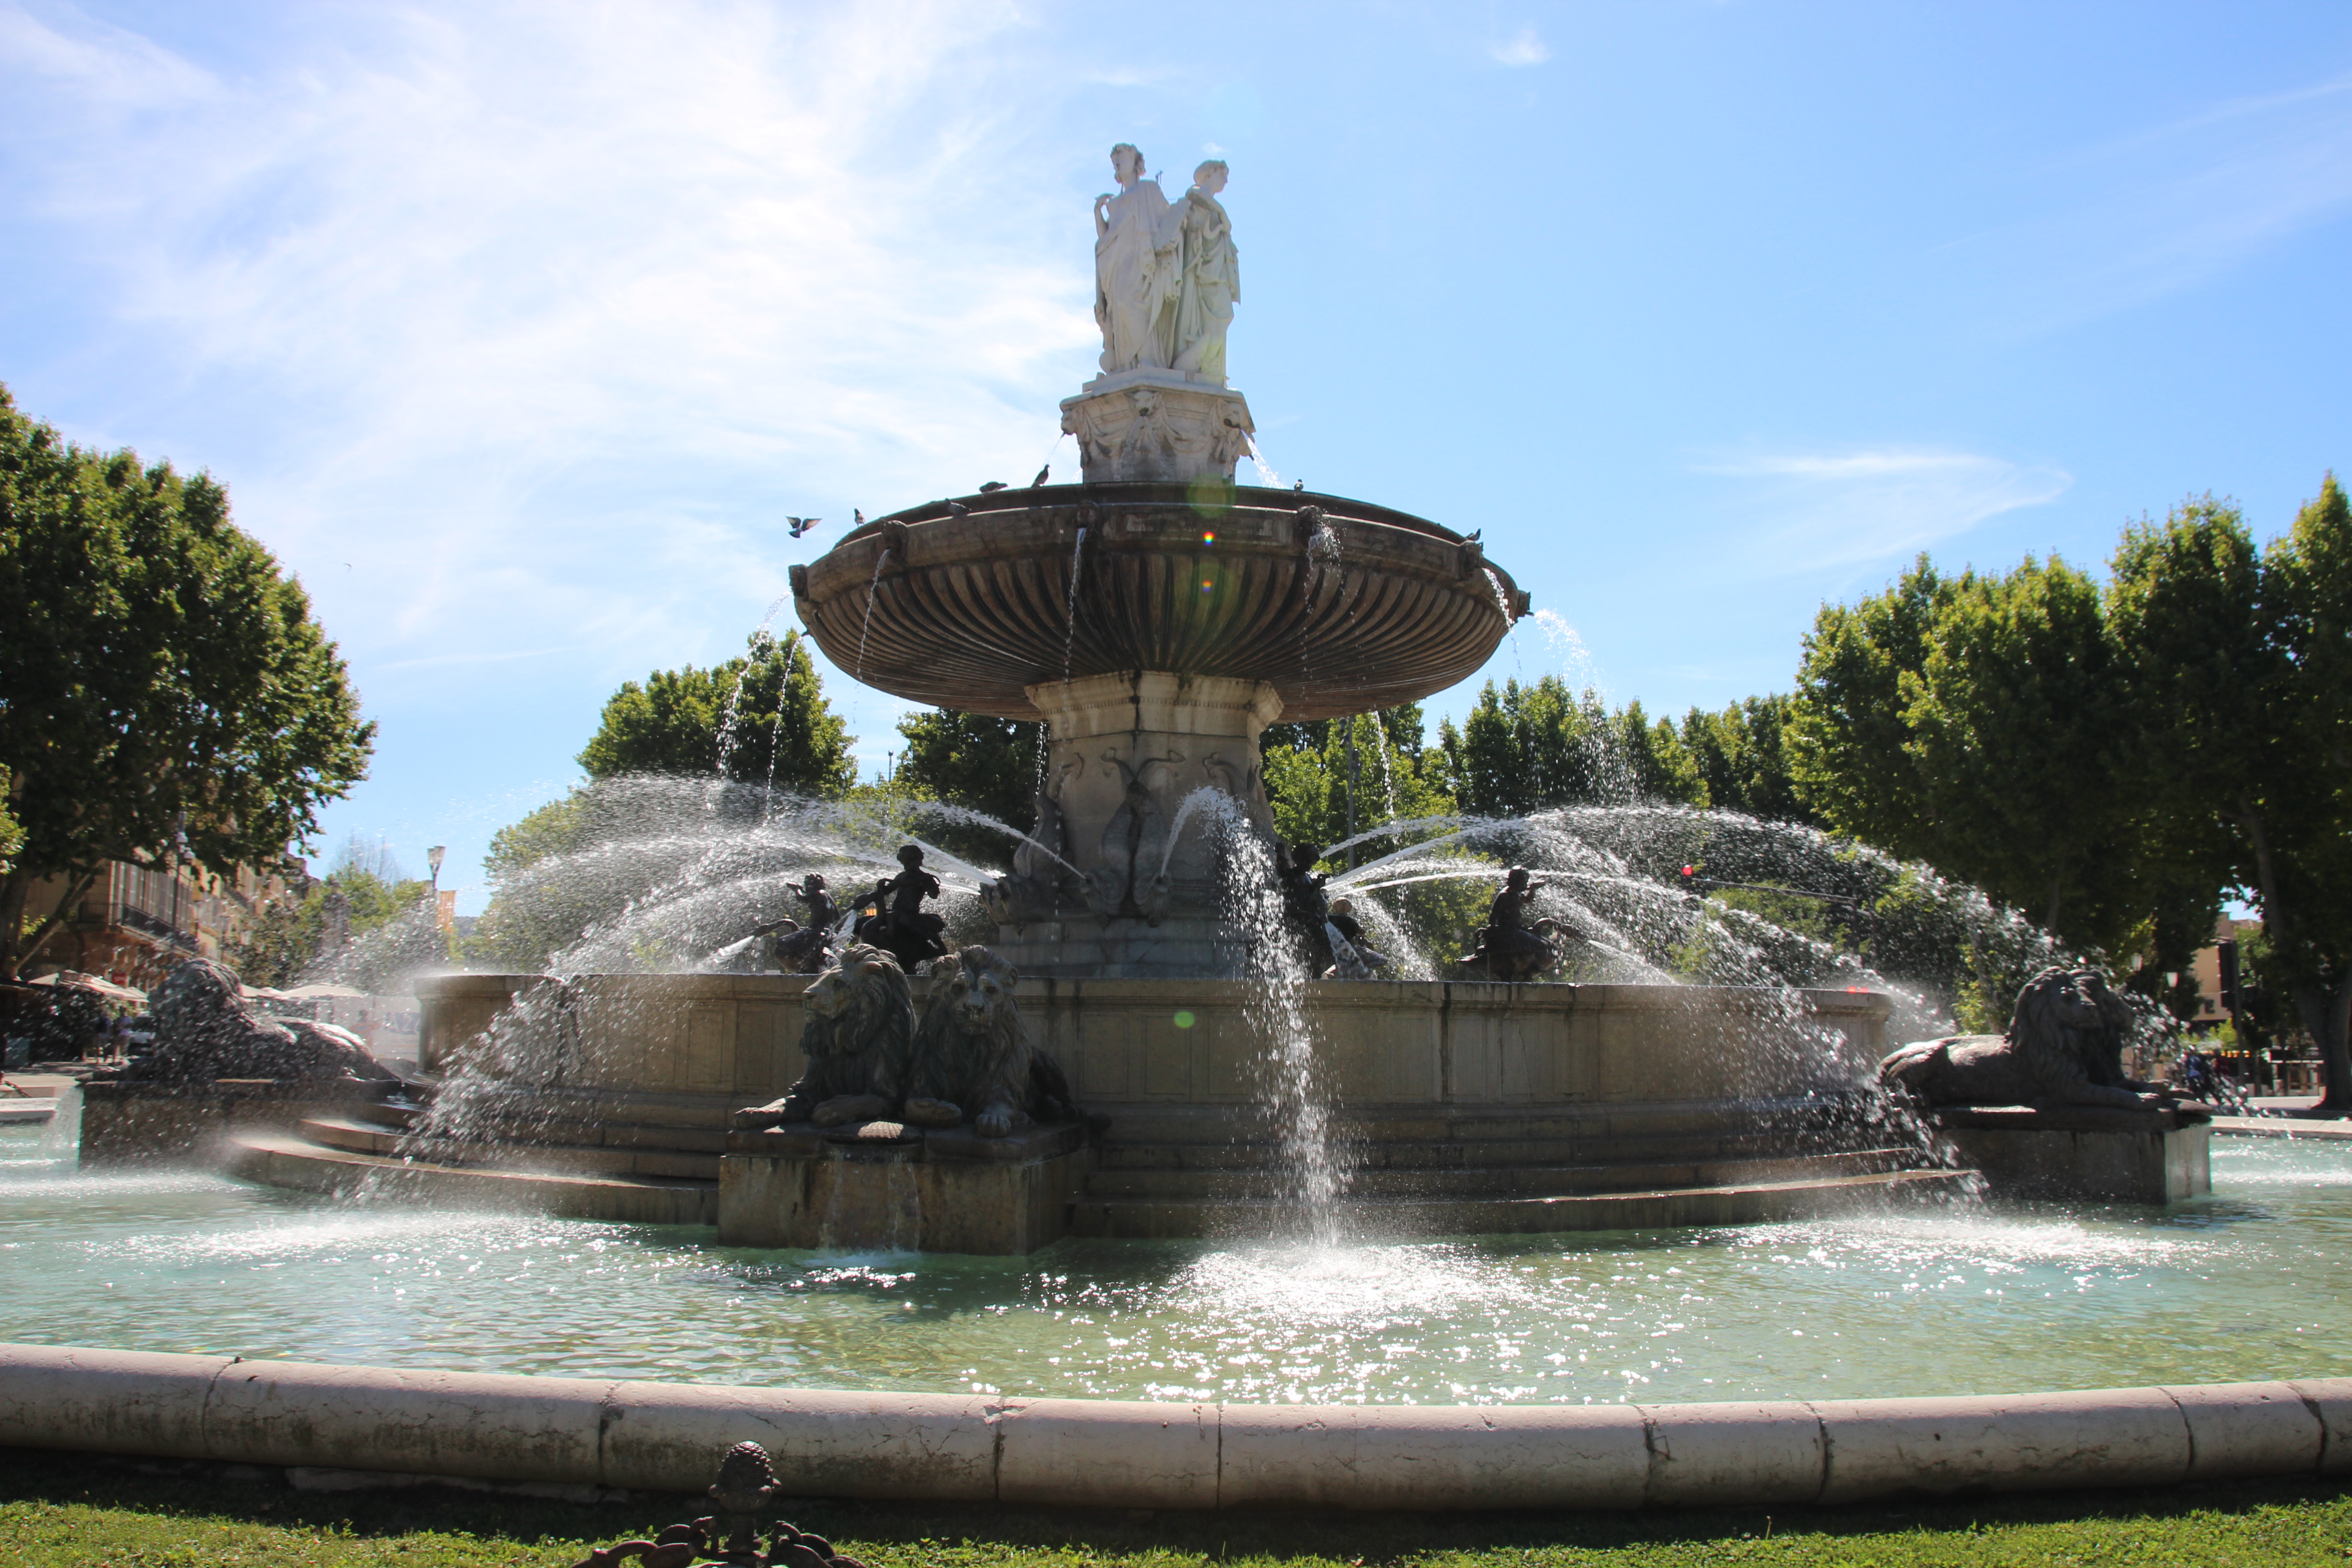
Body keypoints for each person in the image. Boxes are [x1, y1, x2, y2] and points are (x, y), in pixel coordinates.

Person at [1093, 143, 1181, 375]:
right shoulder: (1114, 203)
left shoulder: (1149, 191)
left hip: (1143, 263)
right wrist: (1098, 214)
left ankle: (1147, 358)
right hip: (1119, 265)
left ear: (1136, 163)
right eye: (1115, 162)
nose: (1118, 164)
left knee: (1140, 304)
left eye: (1122, 159)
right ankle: (1127, 363)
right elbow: (1105, 242)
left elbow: (1168, 221)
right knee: (1120, 305)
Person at [1172, 160, 1239, 384]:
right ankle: (1208, 366)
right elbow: (1195, 194)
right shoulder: (1198, 194)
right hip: (1205, 274)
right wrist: (1223, 214)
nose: (1227, 181)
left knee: (1224, 318)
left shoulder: (1209, 202)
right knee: (1219, 319)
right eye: (1223, 175)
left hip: (1217, 272)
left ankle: (1212, 367)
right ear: (1209, 174)